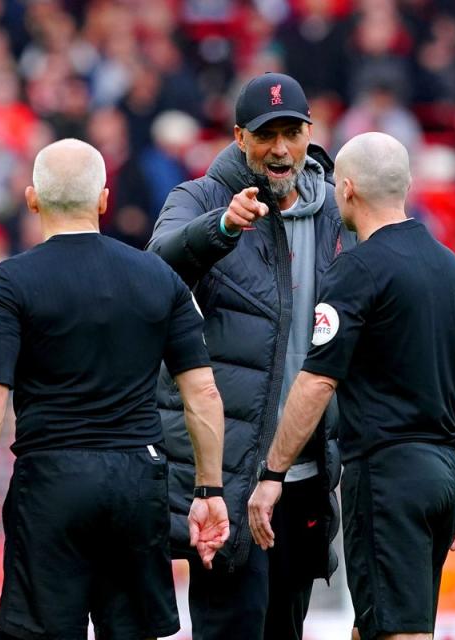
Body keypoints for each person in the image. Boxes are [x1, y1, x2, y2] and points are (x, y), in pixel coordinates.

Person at [0, 139, 230, 640]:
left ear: (32, 198)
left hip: (51, 481)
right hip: (136, 480)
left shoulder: (6, 284)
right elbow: (203, 394)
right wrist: (208, 489)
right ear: (104, 199)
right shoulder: (160, 278)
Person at [248, 132, 455, 640]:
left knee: (398, 631)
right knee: (377, 622)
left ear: (348, 189)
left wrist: (273, 473)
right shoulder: (453, 269)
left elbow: (316, 382)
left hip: (388, 475)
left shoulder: (355, 270)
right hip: (444, 472)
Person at [145, 72, 352, 640]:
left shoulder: (338, 210)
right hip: (227, 476)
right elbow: (156, 267)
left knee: (288, 626)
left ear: (310, 132)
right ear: (239, 137)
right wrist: (220, 228)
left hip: (304, 471)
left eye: (291, 132)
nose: (280, 149)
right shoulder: (199, 197)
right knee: (230, 628)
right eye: (266, 135)